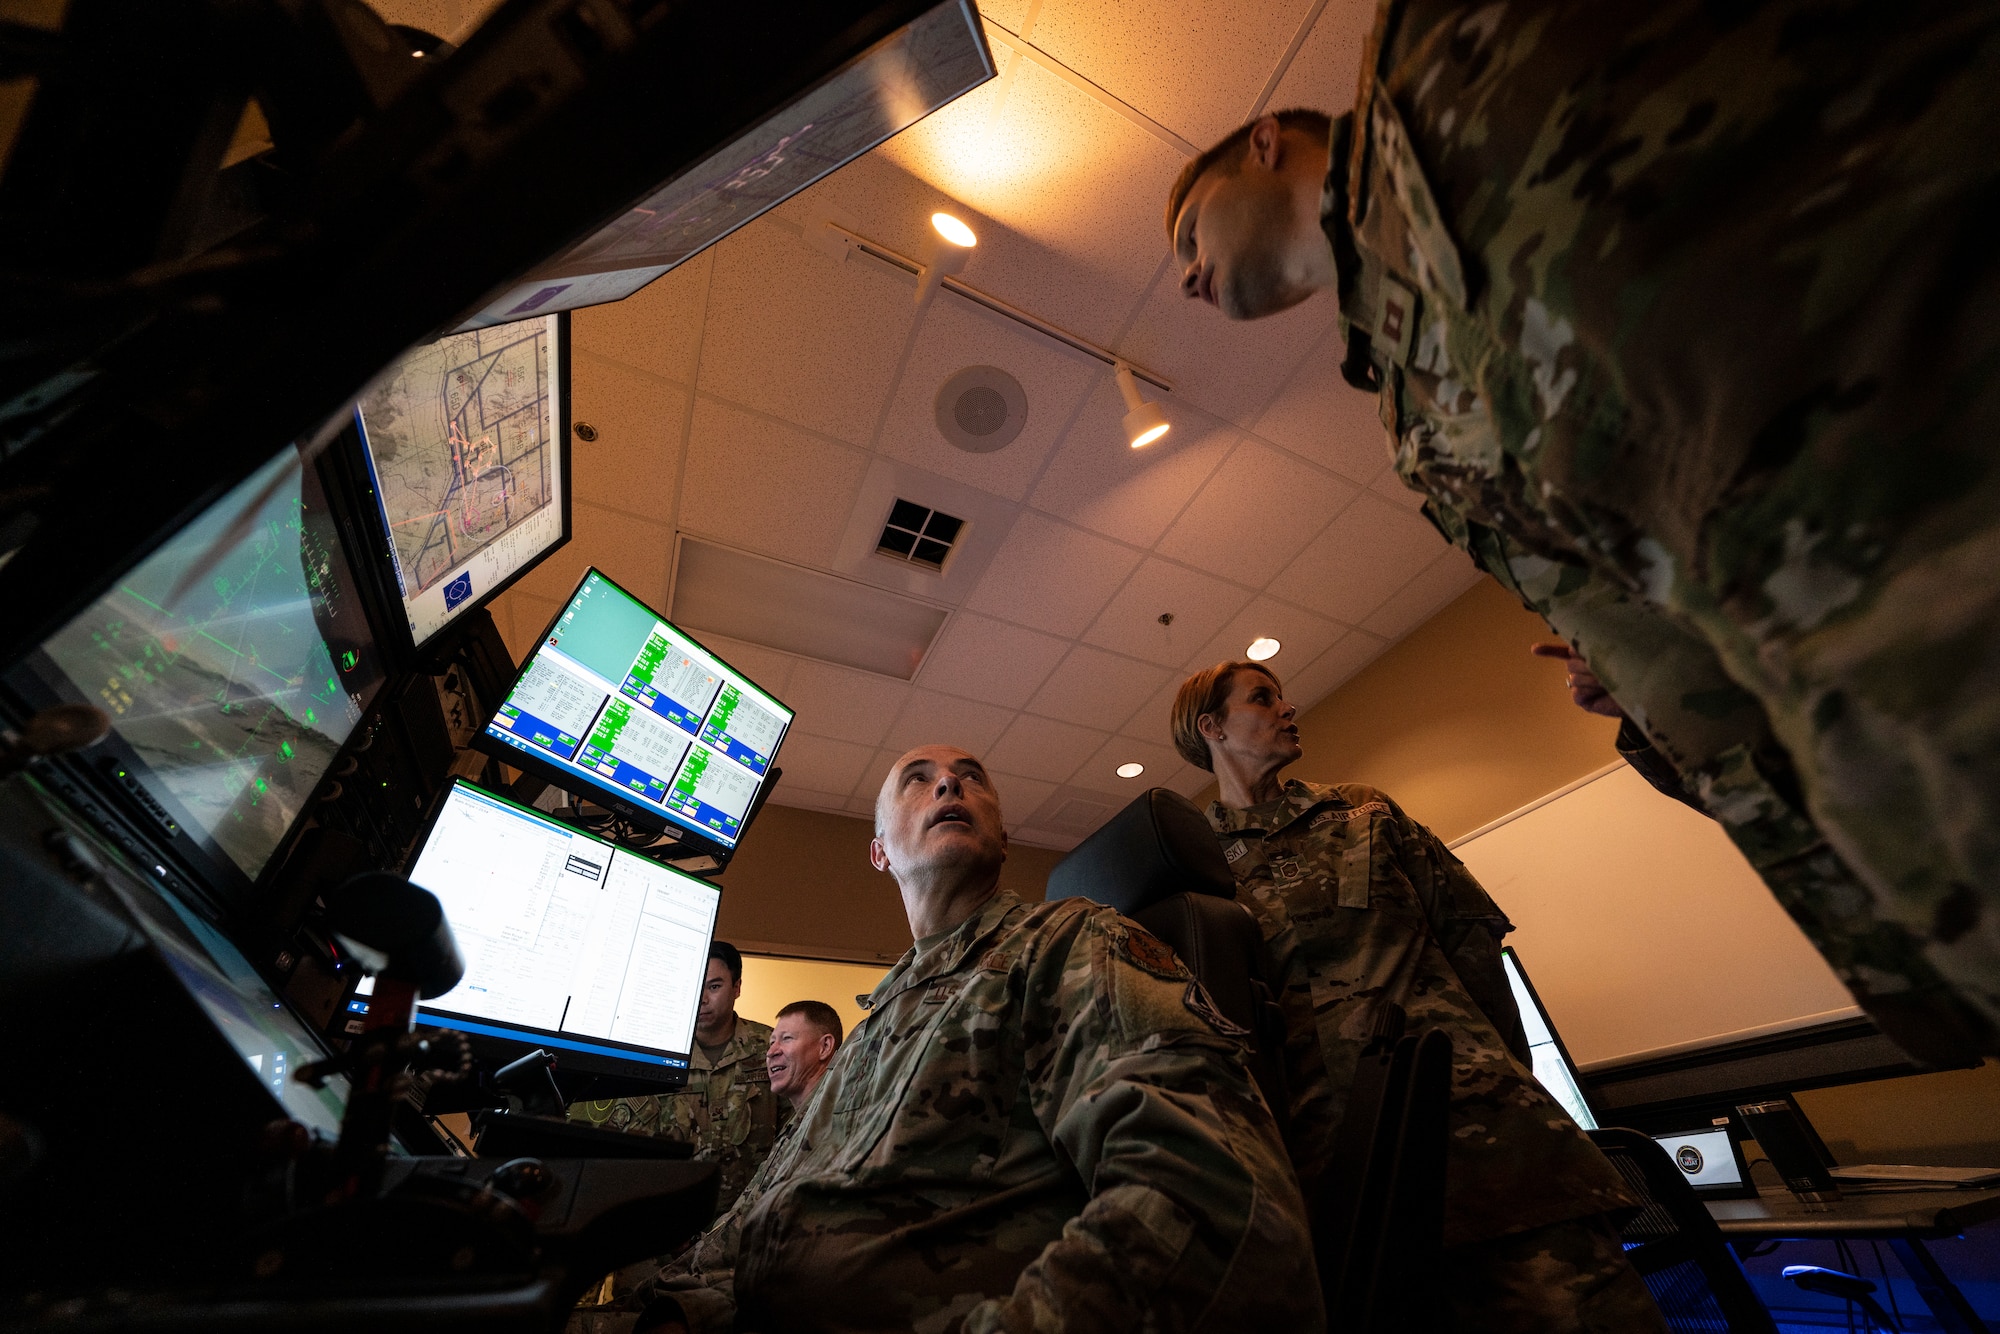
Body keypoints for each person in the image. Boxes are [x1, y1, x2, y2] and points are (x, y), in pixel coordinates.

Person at [1162, 3, 2000, 1061]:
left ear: (1262, 145)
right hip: (1891, 764)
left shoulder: (1459, 69)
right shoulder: (1402, 380)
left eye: (1186, 233)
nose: (1186, 276)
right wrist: (1636, 676)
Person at [634, 744, 1323, 1334]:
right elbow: (768, 1206)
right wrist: (678, 1309)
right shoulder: (878, 1020)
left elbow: (1213, 1199)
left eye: (971, 776)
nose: (949, 783)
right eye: (918, 777)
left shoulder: (1068, 945)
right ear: (879, 852)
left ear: (1002, 838)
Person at [1173, 659, 1661, 1332]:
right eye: (1263, 699)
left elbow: (1474, 946)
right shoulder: (1197, 873)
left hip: (1487, 1141)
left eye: (1283, 696)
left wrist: (1501, 1078)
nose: (1288, 708)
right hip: (1343, 1175)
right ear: (1212, 728)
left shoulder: (1362, 813)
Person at [568, 941, 783, 1212]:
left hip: (752, 1219)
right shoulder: (656, 1052)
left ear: (737, 987)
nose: (702, 999)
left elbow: (796, 1129)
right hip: (674, 1221)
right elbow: (632, 1150)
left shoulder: (771, 1046)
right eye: (693, 989)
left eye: (714, 987)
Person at [764, 1000, 842, 1112]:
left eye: (786, 1038)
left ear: (825, 1047)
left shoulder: (843, 1116)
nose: (771, 1052)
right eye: (772, 1042)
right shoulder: (803, 1122)